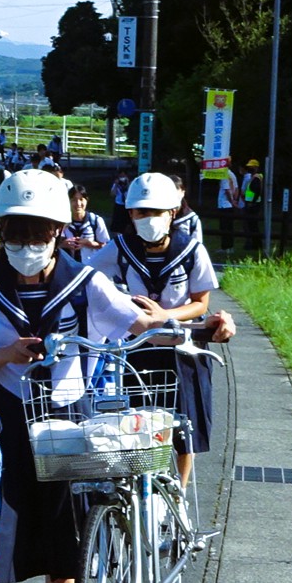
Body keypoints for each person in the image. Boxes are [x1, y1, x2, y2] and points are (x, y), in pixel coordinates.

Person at [0, 169, 175, 583]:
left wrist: (194, 322)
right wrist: (8, 353)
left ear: (59, 231)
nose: (27, 244)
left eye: (40, 233)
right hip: (3, 414)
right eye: (16, 233)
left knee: (65, 528)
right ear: (0, 231)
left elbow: (135, 322)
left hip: (66, 414)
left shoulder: (85, 281)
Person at [87, 172, 223, 490]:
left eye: (156, 212)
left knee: (184, 427)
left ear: (172, 212)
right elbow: (87, 277)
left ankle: (179, 491)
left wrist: (166, 315)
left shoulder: (191, 250)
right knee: (141, 423)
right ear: (131, 213)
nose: (149, 219)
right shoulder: (120, 248)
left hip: (183, 348)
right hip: (139, 348)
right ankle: (147, 489)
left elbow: (201, 302)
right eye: (141, 212)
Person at [61, 183, 109, 261]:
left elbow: (105, 246)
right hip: (68, 268)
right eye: (74, 200)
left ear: (86, 200)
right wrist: (64, 244)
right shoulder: (63, 221)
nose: (78, 204)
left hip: (90, 267)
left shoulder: (95, 221)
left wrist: (88, 243)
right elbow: (53, 244)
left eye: (81, 199)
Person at [170, 173, 205, 246]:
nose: (172, 194)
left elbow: (197, 245)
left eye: (176, 190)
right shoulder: (157, 215)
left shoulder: (192, 219)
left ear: (183, 192)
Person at [216, 165, 242, 251]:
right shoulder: (232, 174)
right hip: (229, 205)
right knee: (230, 226)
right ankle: (230, 247)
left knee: (224, 227)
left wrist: (232, 201)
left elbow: (227, 190)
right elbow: (237, 189)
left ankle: (225, 247)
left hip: (224, 204)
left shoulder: (224, 175)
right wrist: (235, 199)